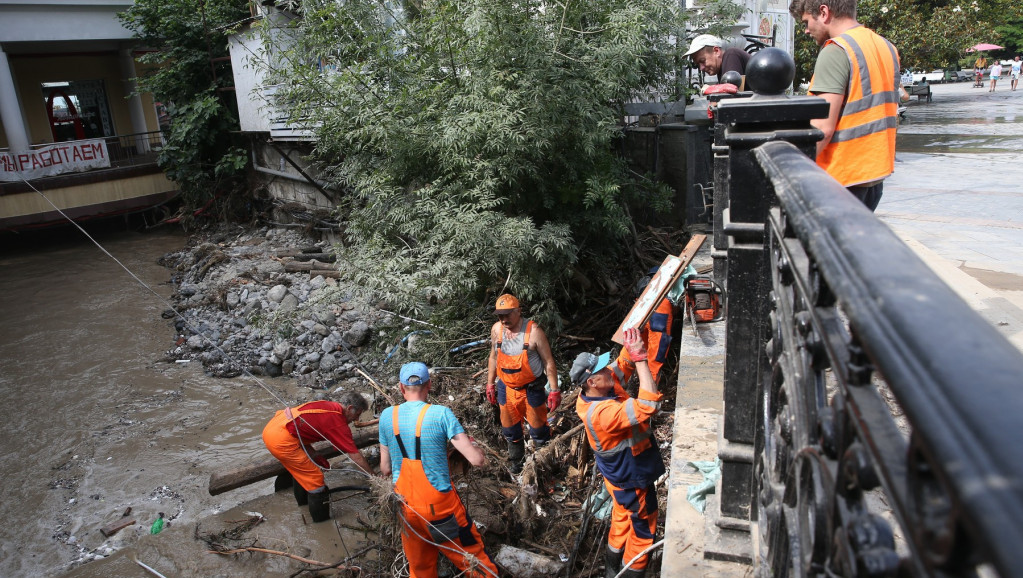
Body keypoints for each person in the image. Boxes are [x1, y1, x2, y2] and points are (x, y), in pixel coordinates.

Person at [379, 362, 499, 578]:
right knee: (475, 564)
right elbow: (476, 460)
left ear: (401, 387)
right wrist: (475, 448)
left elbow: (385, 468)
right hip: (441, 512)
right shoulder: (441, 413)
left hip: (406, 510)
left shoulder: (387, 416)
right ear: (429, 385)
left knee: (421, 569)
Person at [790, 0, 901, 212]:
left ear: (823, 12)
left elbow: (822, 128)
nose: (806, 30)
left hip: (840, 177)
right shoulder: (885, 46)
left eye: (806, 21)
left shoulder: (836, 50)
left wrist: (791, 170)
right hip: (874, 176)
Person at [572, 328, 665, 578]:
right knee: (643, 528)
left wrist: (637, 331)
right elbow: (649, 404)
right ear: (592, 381)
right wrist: (642, 359)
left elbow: (623, 362)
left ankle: (612, 565)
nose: (609, 370)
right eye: (602, 370)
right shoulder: (603, 414)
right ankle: (631, 572)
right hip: (631, 478)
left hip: (617, 480)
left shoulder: (597, 390)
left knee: (622, 517)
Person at [262, 391, 375, 522]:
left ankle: (303, 506)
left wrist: (314, 454)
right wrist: (373, 478)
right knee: (315, 480)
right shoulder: (337, 422)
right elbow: (355, 456)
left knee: (303, 471)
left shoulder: (329, 405)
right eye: (357, 415)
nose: (356, 420)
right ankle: (321, 523)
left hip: (275, 427)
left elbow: (300, 430)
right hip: (280, 439)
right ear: (349, 408)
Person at [485, 294, 560, 474]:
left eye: (508, 314)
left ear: (518, 311)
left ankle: (544, 467)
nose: (504, 320)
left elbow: (548, 362)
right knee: (510, 430)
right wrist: (490, 384)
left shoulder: (533, 332)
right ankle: (517, 465)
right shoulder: (497, 330)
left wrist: (555, 390)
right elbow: (493, 358)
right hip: (506, 388)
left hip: (531, 389)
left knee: (539, 430)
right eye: (500, 316)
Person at [684, 34, 751, 80]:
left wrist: (708, 89)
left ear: (716, 51)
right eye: (698, 64)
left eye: (702, 61)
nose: (701, 68)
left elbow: (731, 92)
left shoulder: (731, 55)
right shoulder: (721, 68)